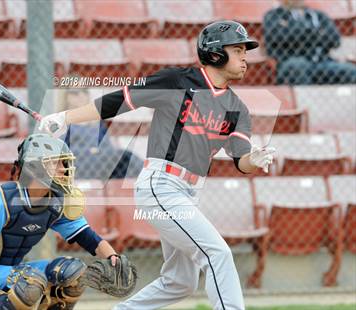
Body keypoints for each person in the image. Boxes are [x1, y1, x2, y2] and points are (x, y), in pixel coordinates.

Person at [39, 20, 275, 310]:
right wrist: (64, 118)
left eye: (245, 51)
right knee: (217, 254)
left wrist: (255, 158)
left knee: (180, 281)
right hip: (161, 185)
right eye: (237, 49)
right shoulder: (178, 81)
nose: (245, 57)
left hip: (189, 193)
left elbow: (241, 161)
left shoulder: (238, 108)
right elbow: (120, 100)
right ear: (215, 53)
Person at [0, 133, 136, 310]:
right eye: (56, 163)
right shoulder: (0, 202)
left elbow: (86, 236)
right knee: (31, 281)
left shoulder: (55, 201)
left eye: (64, 163)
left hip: (11, 271)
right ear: (35, 168)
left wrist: (113, 258)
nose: (64, 169)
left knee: (73, 273)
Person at [57, 88, 143, 180]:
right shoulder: (60, 120)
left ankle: (147, 178)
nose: (81, 95)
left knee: (126, 156)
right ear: (67, 96)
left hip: (100, 160)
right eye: (75, 92)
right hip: (76, 160)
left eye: (84, 91)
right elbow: (61, 149)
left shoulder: (96, 120)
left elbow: (107, 146)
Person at [264, 0, 356, 85]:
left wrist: (294, 31)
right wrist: (317, 33)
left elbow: (335, 40)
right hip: (290, 61)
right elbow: (276, 37)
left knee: (350, 70)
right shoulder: (274, 15)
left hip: (321, 62)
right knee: (298, 66)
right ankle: (305, 102)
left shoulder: (318, 15)